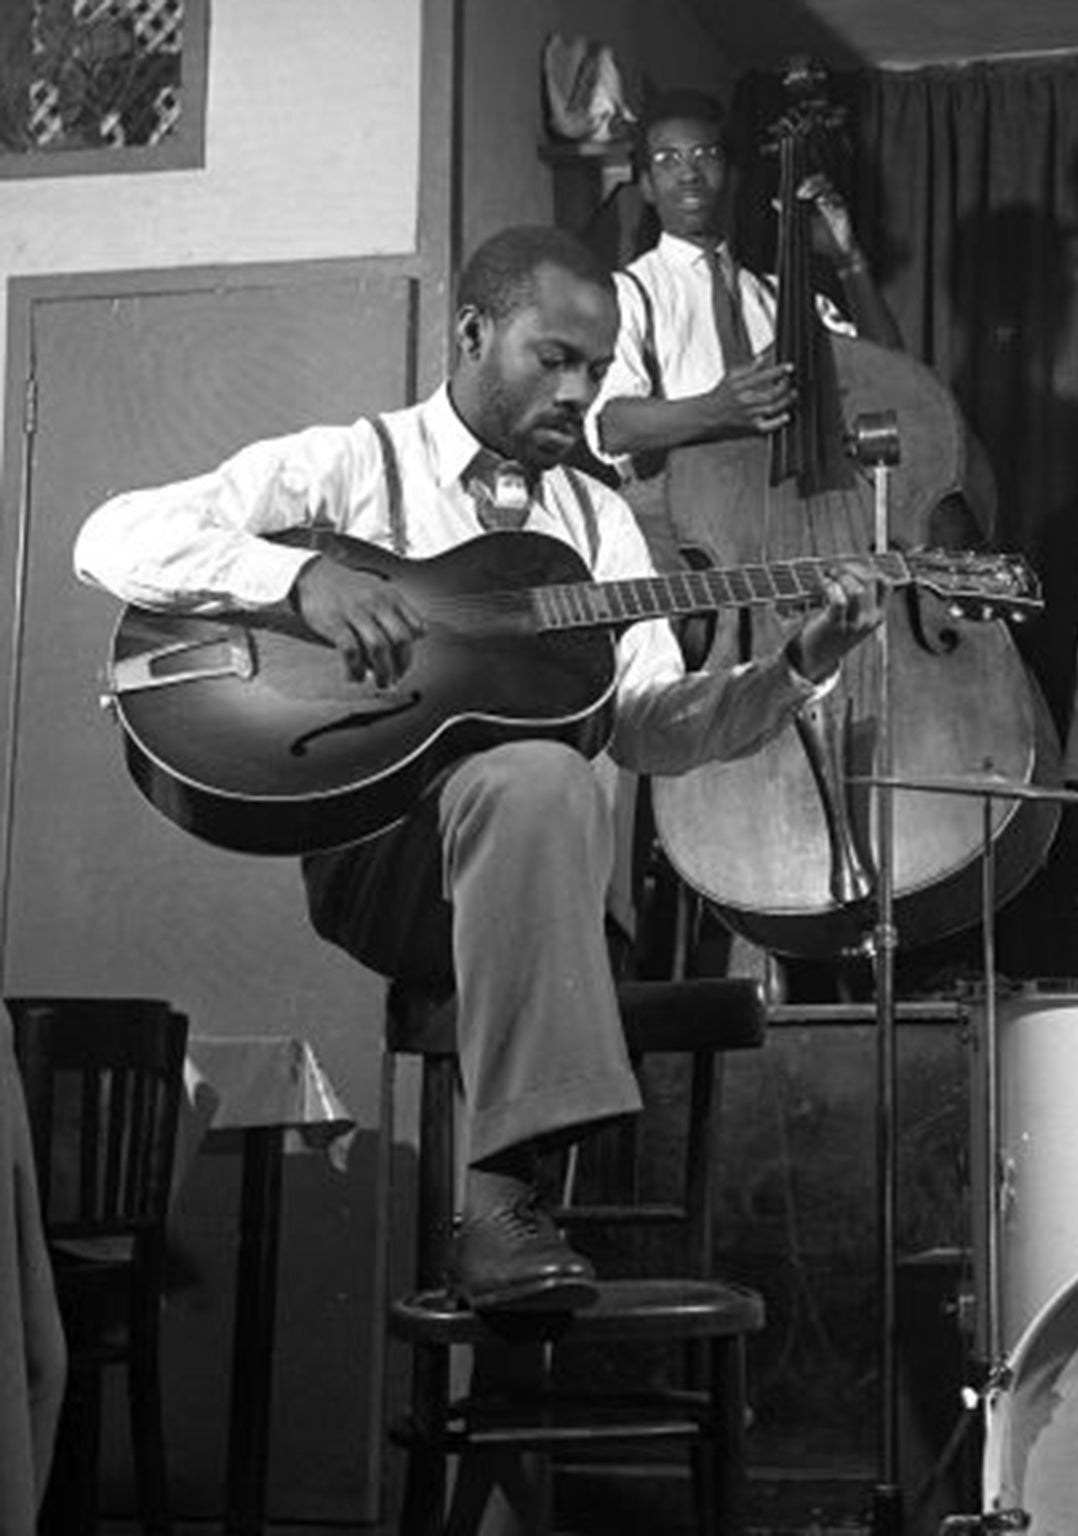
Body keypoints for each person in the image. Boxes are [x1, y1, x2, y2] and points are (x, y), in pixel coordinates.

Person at [73, 225, 885, 1313]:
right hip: (386, 864)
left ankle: (501, 1212)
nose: (578, 392)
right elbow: (111, 536)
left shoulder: (596, 519)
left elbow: (646, 727)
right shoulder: (351, 465)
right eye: (553, 359)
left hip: (546, 872)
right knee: (539, 778)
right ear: (471, 332)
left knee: (542, 777)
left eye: (595, 371)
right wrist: (300, 576)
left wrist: (795, 666)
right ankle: (503, 1200)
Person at [589, 87, 902, 480]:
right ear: (648, 186)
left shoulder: (783, 296)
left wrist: (847, 257)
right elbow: (611, 426)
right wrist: (714, 409)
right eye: (668, 160)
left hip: (789, 518)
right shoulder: (629, 292)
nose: (689, 174)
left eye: (707, 155)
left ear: (733, 178)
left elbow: (891, 376)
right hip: (677, 529)